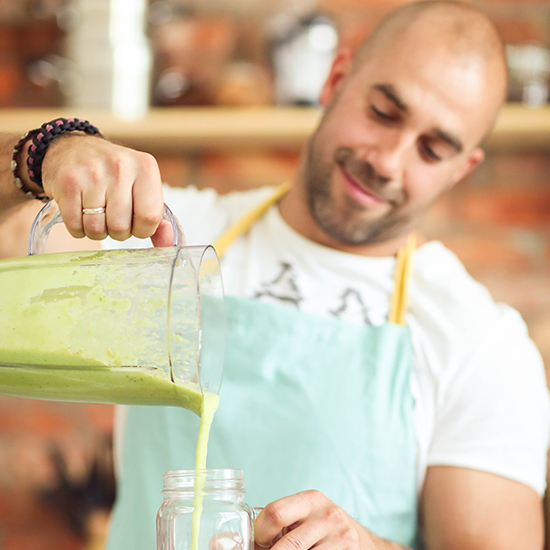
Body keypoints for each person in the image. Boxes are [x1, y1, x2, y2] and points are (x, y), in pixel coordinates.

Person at [1, 1, 549, 549]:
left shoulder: (479, 343)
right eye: (382, 113)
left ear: (462, 169)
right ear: (335, 80)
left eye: (432, 150)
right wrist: (47, 151)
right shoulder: (167, 238)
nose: (388, 160)